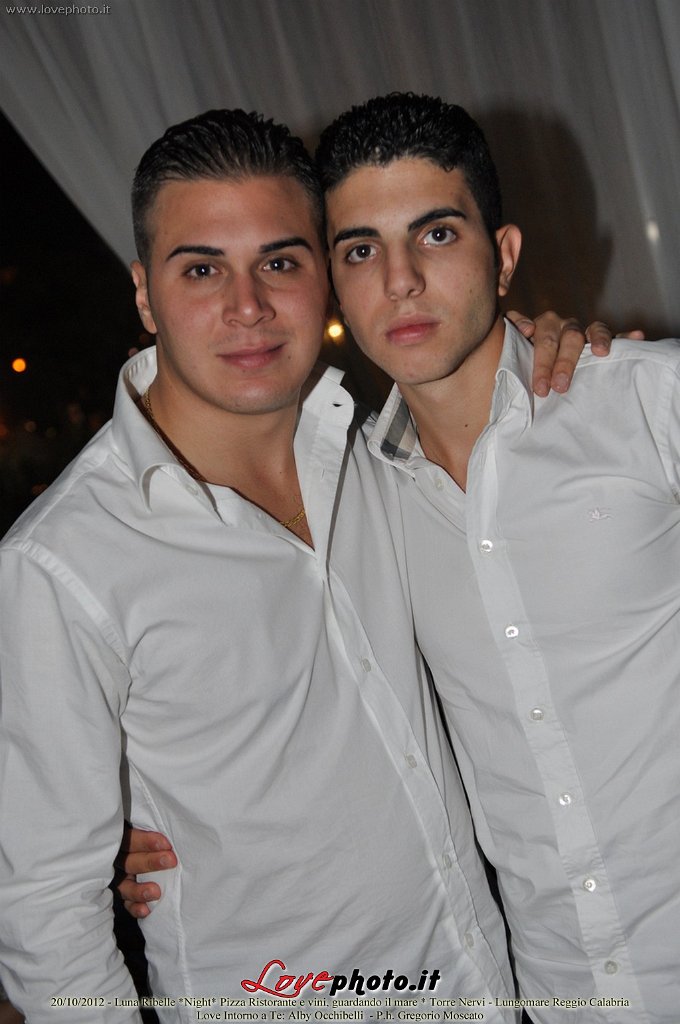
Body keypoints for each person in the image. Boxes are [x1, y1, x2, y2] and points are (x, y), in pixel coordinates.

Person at [0, 106, 603, 1024]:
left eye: (280, 262)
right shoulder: (63, 562)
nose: (247, 305)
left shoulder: (382, 459)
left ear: (324, 278)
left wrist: (538, 342)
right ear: (145, 296)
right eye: (202, 268)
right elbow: (44, 913)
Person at [311, 94, 678, 1022]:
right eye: (361, 250)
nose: (399, 281)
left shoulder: (647, 405)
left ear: (503, 255)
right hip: (560, 995)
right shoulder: (353, 507)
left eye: (435, 234)